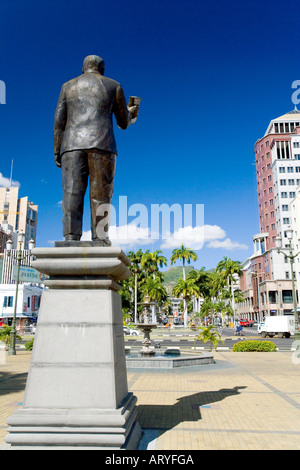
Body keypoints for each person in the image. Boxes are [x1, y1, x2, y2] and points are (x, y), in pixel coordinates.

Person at [53, 55, 140, 244]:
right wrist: (131, 112)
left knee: (71, 192)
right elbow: (123, 122)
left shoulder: (67, 86)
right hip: (103, 143)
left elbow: (59, 121)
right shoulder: (114, 85)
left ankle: (70, 238)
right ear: (103, 69)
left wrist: (57, 150)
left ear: (83, 68)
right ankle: (100, 239)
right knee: (101, 195)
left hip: (71, 145)